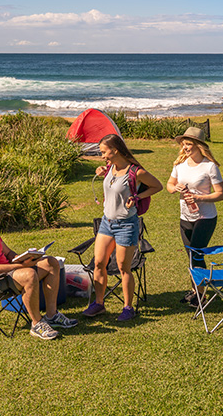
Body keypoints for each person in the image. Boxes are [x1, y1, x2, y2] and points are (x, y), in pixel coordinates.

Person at [0, 197, 78, 340]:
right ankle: (37, 324)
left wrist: (25, 258)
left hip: (8, 274)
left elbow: (8, 253)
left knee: (51, 263)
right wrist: (22, 266)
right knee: (28, 274)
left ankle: (52, 315)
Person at [82, 134, 163, 320]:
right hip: (106, 222)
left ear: (115, 150)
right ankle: (99, 304)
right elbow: (107, 180)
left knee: (123, 267)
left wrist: (137, 197)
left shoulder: (136, 172)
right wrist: (101, 169)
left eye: (104, 152)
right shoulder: (110, 168)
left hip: (126, 224)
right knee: (99, 263)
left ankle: (128, 308)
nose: (102, 156)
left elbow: (157, 186)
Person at [165, 126, 223, 308]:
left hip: (205, 217)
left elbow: (221, 194)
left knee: (197, 254)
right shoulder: (179, 166)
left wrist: (199, 197)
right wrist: (174, 188)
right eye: (183, 144)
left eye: (189, 144)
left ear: (200, 146)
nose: (185, 148)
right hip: (185, 217)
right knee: (191, 256)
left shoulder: (209, 167)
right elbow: (169, 185)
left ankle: (201, 296)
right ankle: (196, 290)